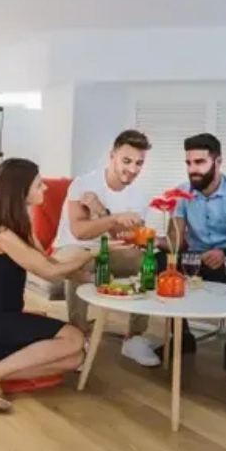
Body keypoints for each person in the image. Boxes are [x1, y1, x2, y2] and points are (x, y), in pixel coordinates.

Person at [0, 158, 97, 412]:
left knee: (76, 358)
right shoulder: (3, 235)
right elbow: (50, 273)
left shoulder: (21, 228)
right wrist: (89, 254)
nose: (45, 188)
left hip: (5, 320)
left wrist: (89, 279)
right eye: (39, 185)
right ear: (21, 191)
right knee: (74, 337)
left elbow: (49, 263)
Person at [150, 132, 226, 371]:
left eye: (200, 162)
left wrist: (225, 252)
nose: (193, 169)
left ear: (218, 162)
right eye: (189, 163)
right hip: (194, 260)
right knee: (161, 260)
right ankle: (182, 337)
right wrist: (150, 239)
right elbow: (176, 243)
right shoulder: (182, 193)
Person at [51, 129, 160, 366]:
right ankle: (78, 336)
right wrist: (114, 219)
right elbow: (80, 231)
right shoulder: (83, 184)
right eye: (126, 161)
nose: (133, 169)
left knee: (146, 262)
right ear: (112, 156)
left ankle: (135, 337)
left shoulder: (139, 197)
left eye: (139, 163)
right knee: (79, 261)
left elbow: (126, 238)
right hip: (75, 247)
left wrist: (102, 212)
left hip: (112, 249)